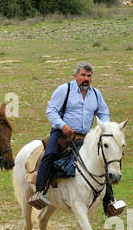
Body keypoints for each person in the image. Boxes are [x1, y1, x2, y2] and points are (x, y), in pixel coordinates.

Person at [28, 62, 124, 216]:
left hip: (85, 137)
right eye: (83, 75)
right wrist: (62, 125)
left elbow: (103, 113)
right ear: (76, 76)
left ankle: (109, 201)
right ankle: (39, 191)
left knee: (101, 160)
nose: (86, 79)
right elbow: (51, 110)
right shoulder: (64, 90)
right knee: (50, 154)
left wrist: (105, 127)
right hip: (62, 134)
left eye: (89, 76)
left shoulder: (96, 94)